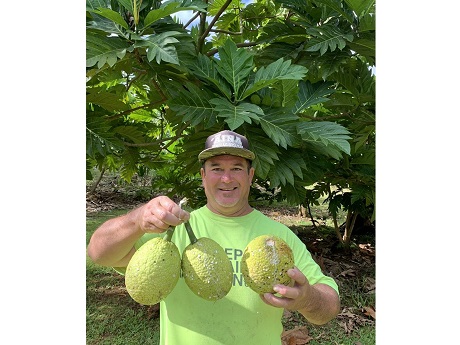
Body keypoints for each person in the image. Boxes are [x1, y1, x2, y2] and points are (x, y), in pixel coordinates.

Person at [87, 129, 341, 345]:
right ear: (203, 176)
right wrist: (137, 220)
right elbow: (98, 252)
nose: (227, 178)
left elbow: (329, 307)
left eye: (237, 168)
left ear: (250, 176)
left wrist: (307, 299)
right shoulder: (172, 230)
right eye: (217, 168)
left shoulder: (276, 239)